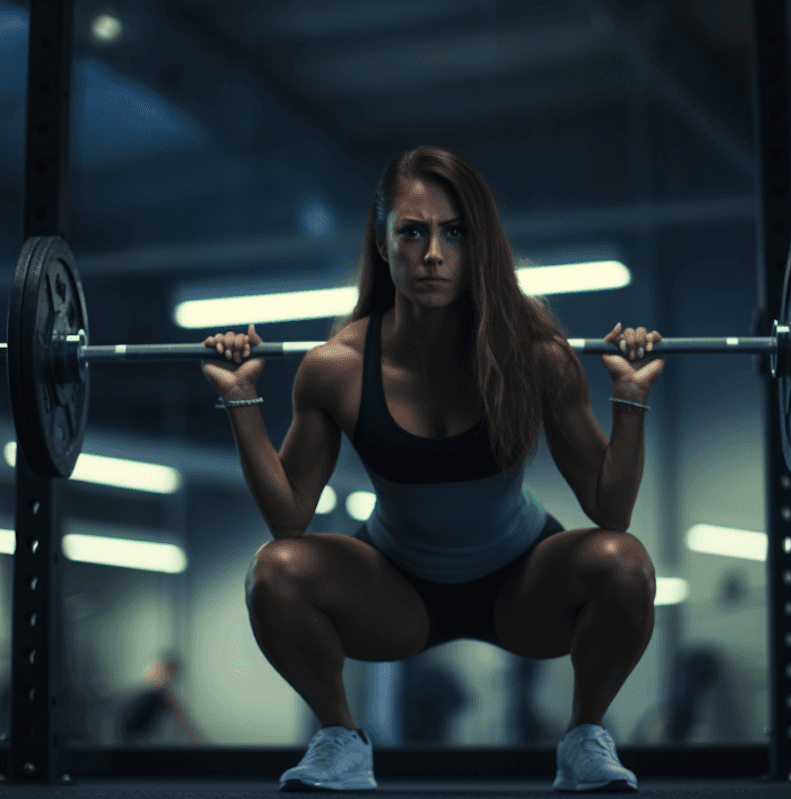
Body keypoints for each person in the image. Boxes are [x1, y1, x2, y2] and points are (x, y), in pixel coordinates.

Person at [202, 145, 663, 792]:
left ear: (480, 246)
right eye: (413, 231)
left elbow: (610, 509)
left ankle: (584, 738)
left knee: (625, 561)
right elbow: (289, 517)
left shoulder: (538, 357)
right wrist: (240, 399)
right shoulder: (336, 367)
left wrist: (631, 400)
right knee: (275, 572)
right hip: (394, 589)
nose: (434, 253)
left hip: (521, 583)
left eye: (454, 232)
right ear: (384, 245)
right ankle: (341, 741)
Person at [118, 652, 209, 746]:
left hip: (133, 736)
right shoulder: (161, 690)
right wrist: (202, 742)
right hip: (131, 736)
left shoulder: (157, 689)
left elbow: (182, 718)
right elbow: (183, 719)